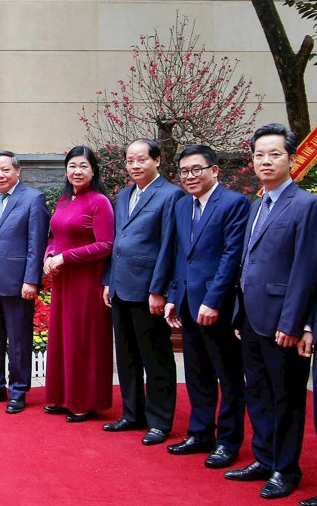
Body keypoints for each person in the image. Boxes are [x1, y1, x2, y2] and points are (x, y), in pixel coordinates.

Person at [223, 123, 317, 500]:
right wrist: (239, 314)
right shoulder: (255, 203)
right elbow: (247, 263)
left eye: (274, 154)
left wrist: (294, 323)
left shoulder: (306, 205)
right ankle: (263, 458)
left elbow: (306, 270)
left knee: (286, 398)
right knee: (258, 392)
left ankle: (285, 468)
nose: (266, 161)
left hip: (283, 323)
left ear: (292, 159)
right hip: (251, 318)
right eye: (259, 154)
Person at [164, 144, 248, 469]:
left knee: (227, 376)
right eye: (184, 171)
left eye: (196, 169)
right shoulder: (183, 206)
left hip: (218, 306)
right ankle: (200, 433)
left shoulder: (234, 203)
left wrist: (213, 300)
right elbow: (180, 256)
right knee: (197, 372)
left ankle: (228, 441)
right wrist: (173, 295)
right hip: (187, 302)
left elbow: (231, 257)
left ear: (215, 170)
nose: (189, 176)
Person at [101, 139, 181, 446]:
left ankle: (160, 420)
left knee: (155, 356)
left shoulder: (170, 195)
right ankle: (132, 413)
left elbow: (167, 246)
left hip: (148, 289)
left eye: (141, 160)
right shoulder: (124, 195)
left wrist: (159, 289)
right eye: (130, 161)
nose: (135, 166)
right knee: (127, 355)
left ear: (157, 160)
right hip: (121, 286)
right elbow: (117, 242)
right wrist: (109, 280)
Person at [0, 151, 49, 413]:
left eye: (5, 170)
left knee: (18, 340)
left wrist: (31, 279)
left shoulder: (33, 199)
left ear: (17, 171)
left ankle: (18, 391)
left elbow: (35, 244)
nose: (0, 175)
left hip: (18, 282)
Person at [43, 145, 115, 423]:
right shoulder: (63, 200)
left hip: (87, 281)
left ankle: (85, 401)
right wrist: (50, 255)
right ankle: (62, 396)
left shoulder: (100, 202)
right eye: (72, 165)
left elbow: (106, 245)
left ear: (93, 170)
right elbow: (53, 236)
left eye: (83, 166)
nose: (77, 171)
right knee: (63, 338)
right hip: (63, 280)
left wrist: (65, 257)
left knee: (84, 339)